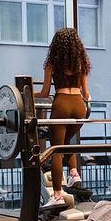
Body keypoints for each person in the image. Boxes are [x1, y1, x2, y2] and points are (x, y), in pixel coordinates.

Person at [36, 28, 91, 207]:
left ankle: (57, 195)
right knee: (66, 142)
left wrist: (28, 94)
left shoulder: (52, 63)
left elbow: (45, 92)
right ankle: (74, 173)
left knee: (57, 150)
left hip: (61, 104)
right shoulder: (81, 64)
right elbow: (86, 94)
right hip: (79, 106)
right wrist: (86, 98)